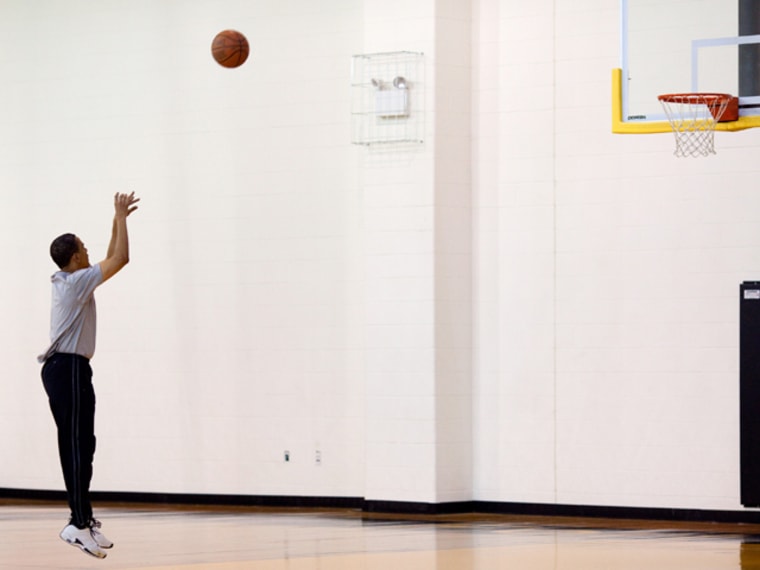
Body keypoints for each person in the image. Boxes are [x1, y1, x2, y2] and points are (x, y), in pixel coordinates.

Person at [38, 192, 139, 559]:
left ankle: (82, 519)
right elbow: (121, 258)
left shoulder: (73, 281)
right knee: (78, 446)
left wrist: (117, 218)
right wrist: (120, 219)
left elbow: (111, 257)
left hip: (66, 370)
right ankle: (77, 524)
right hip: (68, 369)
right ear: (75, 256)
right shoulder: (75, 282)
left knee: (83, 445)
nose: (87, 250)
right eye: (83, 246)